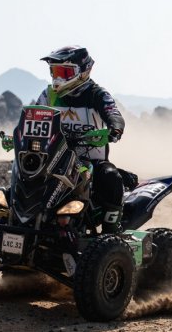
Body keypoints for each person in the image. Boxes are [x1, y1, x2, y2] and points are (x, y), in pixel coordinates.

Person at [33, 45, 126, 233]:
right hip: (54, 159)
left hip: (90, 160)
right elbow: (33, 116)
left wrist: (114, 130)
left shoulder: (97, 95)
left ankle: (112, 231)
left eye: (65, 72)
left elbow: (114, 114)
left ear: (84, 71)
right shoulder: (48, 95)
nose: (58, 78)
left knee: (112, 178)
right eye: (55, 71)